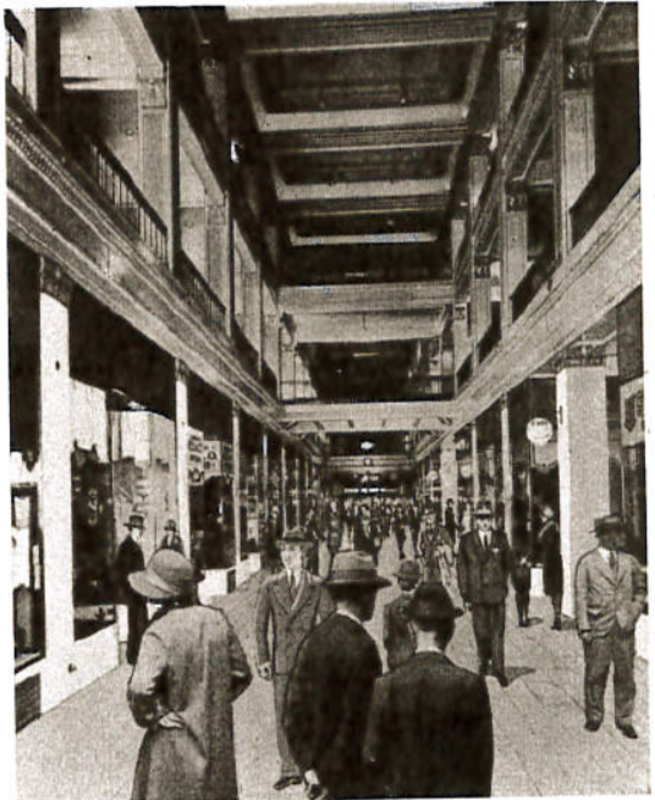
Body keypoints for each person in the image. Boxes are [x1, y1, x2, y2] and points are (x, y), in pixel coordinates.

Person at [127, 549, 252, 800]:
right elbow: (241, 673)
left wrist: (157, 713)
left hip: (173, 745)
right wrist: (212, 698)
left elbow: (140, 688)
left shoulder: (159, 631)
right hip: (214, 739)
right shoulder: (217, 620)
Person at [364, 582, 493, 798]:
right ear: (450, 630)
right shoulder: (471, 686)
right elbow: (481, 770)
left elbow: (371, 761)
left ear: (412, 628)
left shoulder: (385, 686)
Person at [284, 552, 390, 800]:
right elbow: (359, 721)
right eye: (373, 592)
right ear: (364, 596)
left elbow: (294, 712)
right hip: (351, 779)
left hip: (318, 779)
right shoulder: (363, 646)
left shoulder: (314, 639)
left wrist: (309, 769)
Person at [255, 527, 334, 791]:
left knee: (309, 712)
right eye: (284, 550)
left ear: (305, 554)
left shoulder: (317, 585)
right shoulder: (270, 585)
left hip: (308, 662)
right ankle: (288, 768)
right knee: (282, 714)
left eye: (293, 550)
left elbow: (330, 623)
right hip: (281, 662)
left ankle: (309, 766)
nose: (287, 555)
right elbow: (259, 626)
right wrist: (263, 659)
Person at [575, 514, 646, 739]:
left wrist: (633, 613)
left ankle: (624, 719)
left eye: (621, 533)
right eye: (617, 533)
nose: (621, 537)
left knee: (625, 675)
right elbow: (581, 596)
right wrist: (584, 627)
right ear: (605, 536)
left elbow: (641, 590)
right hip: (598, 628)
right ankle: (594, 716)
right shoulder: (587, 563)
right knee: (595, 674)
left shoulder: (629, 561)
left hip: (624, 628)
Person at [457, 499, 512, 687]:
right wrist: (465, 594)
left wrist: (503, 584)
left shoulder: (501, 538)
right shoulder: (466, 541)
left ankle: (499, 669)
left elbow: (507, 563)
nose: (484, 522)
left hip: (496, 594)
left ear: (492, 519)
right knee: (480, 631)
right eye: (481, 518)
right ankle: (482, 662)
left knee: (498, 632)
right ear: (475, 520)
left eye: (487, 518)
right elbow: (462, 569)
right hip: (477, 594)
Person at [114, 512, 149, 665]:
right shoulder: (127, 547)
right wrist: (129, 589)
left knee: (138, 622)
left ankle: (136, 654)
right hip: (133, 592)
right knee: (136, 623)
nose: (139, 532)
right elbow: (122, 572)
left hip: (138, 591)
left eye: (140, 530)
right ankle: (134, 656)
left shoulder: (133, 546)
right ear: (132, 530)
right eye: (137, 529)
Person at [383, 560, 421, 670]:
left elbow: (386, 638)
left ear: (399, 582)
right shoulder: (421, 606)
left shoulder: (389, 608)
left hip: (396, 660)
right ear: (416, 582)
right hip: (418, 661)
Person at [536, 505, 564, 630]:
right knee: (555, 591)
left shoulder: (551, 527)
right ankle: (557, 617)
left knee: (555, 591)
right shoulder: (551, 526)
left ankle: (557, 617)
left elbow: (541, 540)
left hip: (552, 562)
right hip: (552, 562)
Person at [511, 550, 532, 628]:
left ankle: (525, 618)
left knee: (526, 604)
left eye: (526, 558)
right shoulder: (516, 568)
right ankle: (520, 619)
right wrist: (515, 586)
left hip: (525, 589)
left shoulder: (527, 567)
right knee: (519, 605)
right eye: (524, 558)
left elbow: (529, 578)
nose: (525, 560)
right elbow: (513, 578)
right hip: (519, 589)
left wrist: (529, 587)